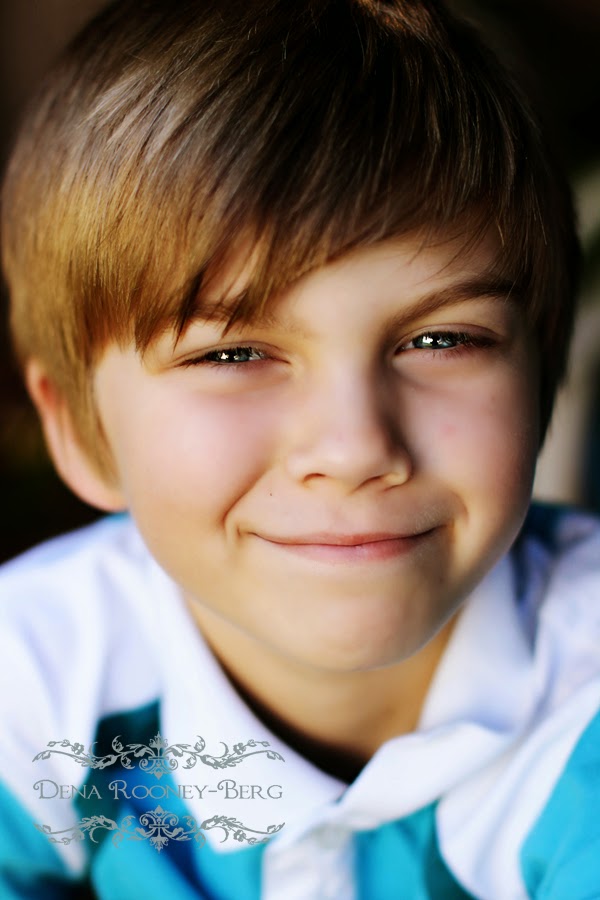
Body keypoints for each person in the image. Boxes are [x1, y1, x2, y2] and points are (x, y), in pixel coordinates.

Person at [0, 0, 598, 897]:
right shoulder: (39, 682)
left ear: (540, 380)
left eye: (442, 340)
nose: (355, 448)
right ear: (80, 431)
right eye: (233, 353)